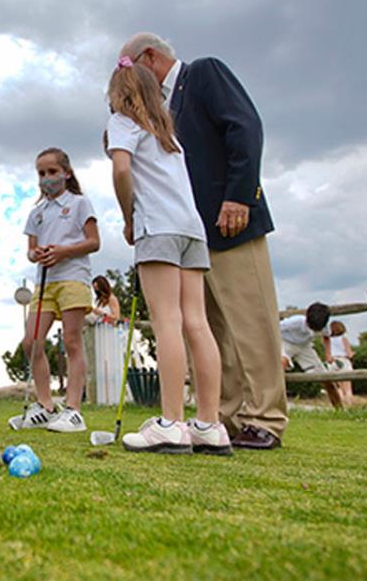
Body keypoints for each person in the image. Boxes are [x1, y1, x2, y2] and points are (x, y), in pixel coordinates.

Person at [121, 32, 287, 450]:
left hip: (231, 220)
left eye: (128, 67)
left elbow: (245, 126)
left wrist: (239, 195)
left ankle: (264, 417)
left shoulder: (203, 74)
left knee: (251, 322)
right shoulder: (159, 109)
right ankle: (222, 419)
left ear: (149, 57)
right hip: (189, 235)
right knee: (211, 329)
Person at [105, 59, 230, 454]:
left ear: (118, 94)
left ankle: (171, 423)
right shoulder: (169, 138)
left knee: (167, 321)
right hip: (192, 229)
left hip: (157, 227)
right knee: (197, 321)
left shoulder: (121, 124)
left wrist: (128, 218)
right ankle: (209, 425)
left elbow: (122, 172)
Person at [9, 148, 100, 433]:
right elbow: (30, 251)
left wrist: (64, 251)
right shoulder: (36, 213)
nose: (46, 178)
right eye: (41, 173)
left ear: (66, 173)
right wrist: (37, 254)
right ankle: (46, 405)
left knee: (72, 341)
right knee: (31, 341)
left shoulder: (79, 203)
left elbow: (93, 242)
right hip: (44, 282)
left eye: (51, 172)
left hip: (73, 277)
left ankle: (73, 410)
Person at [280, 303, 343, 410]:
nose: (313, 330)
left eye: (316, 329)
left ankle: (340, 410)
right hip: (285, 342)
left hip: (304, 346)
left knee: (327, 379)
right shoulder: (294, 322)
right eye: (311, 327)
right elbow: (273, 328)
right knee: (281, 365)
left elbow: (326, 337)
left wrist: (328, 354)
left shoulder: (323, 326)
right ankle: (277, 407)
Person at [328, 320, 355, 404]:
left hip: (333, 362)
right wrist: (353, 353)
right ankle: (348, 405)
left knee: (338, 387)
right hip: (343, 361)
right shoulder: (343, 339)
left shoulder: (328, 340)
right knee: (347, 388)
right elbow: (349, 354)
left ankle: (340, 405)